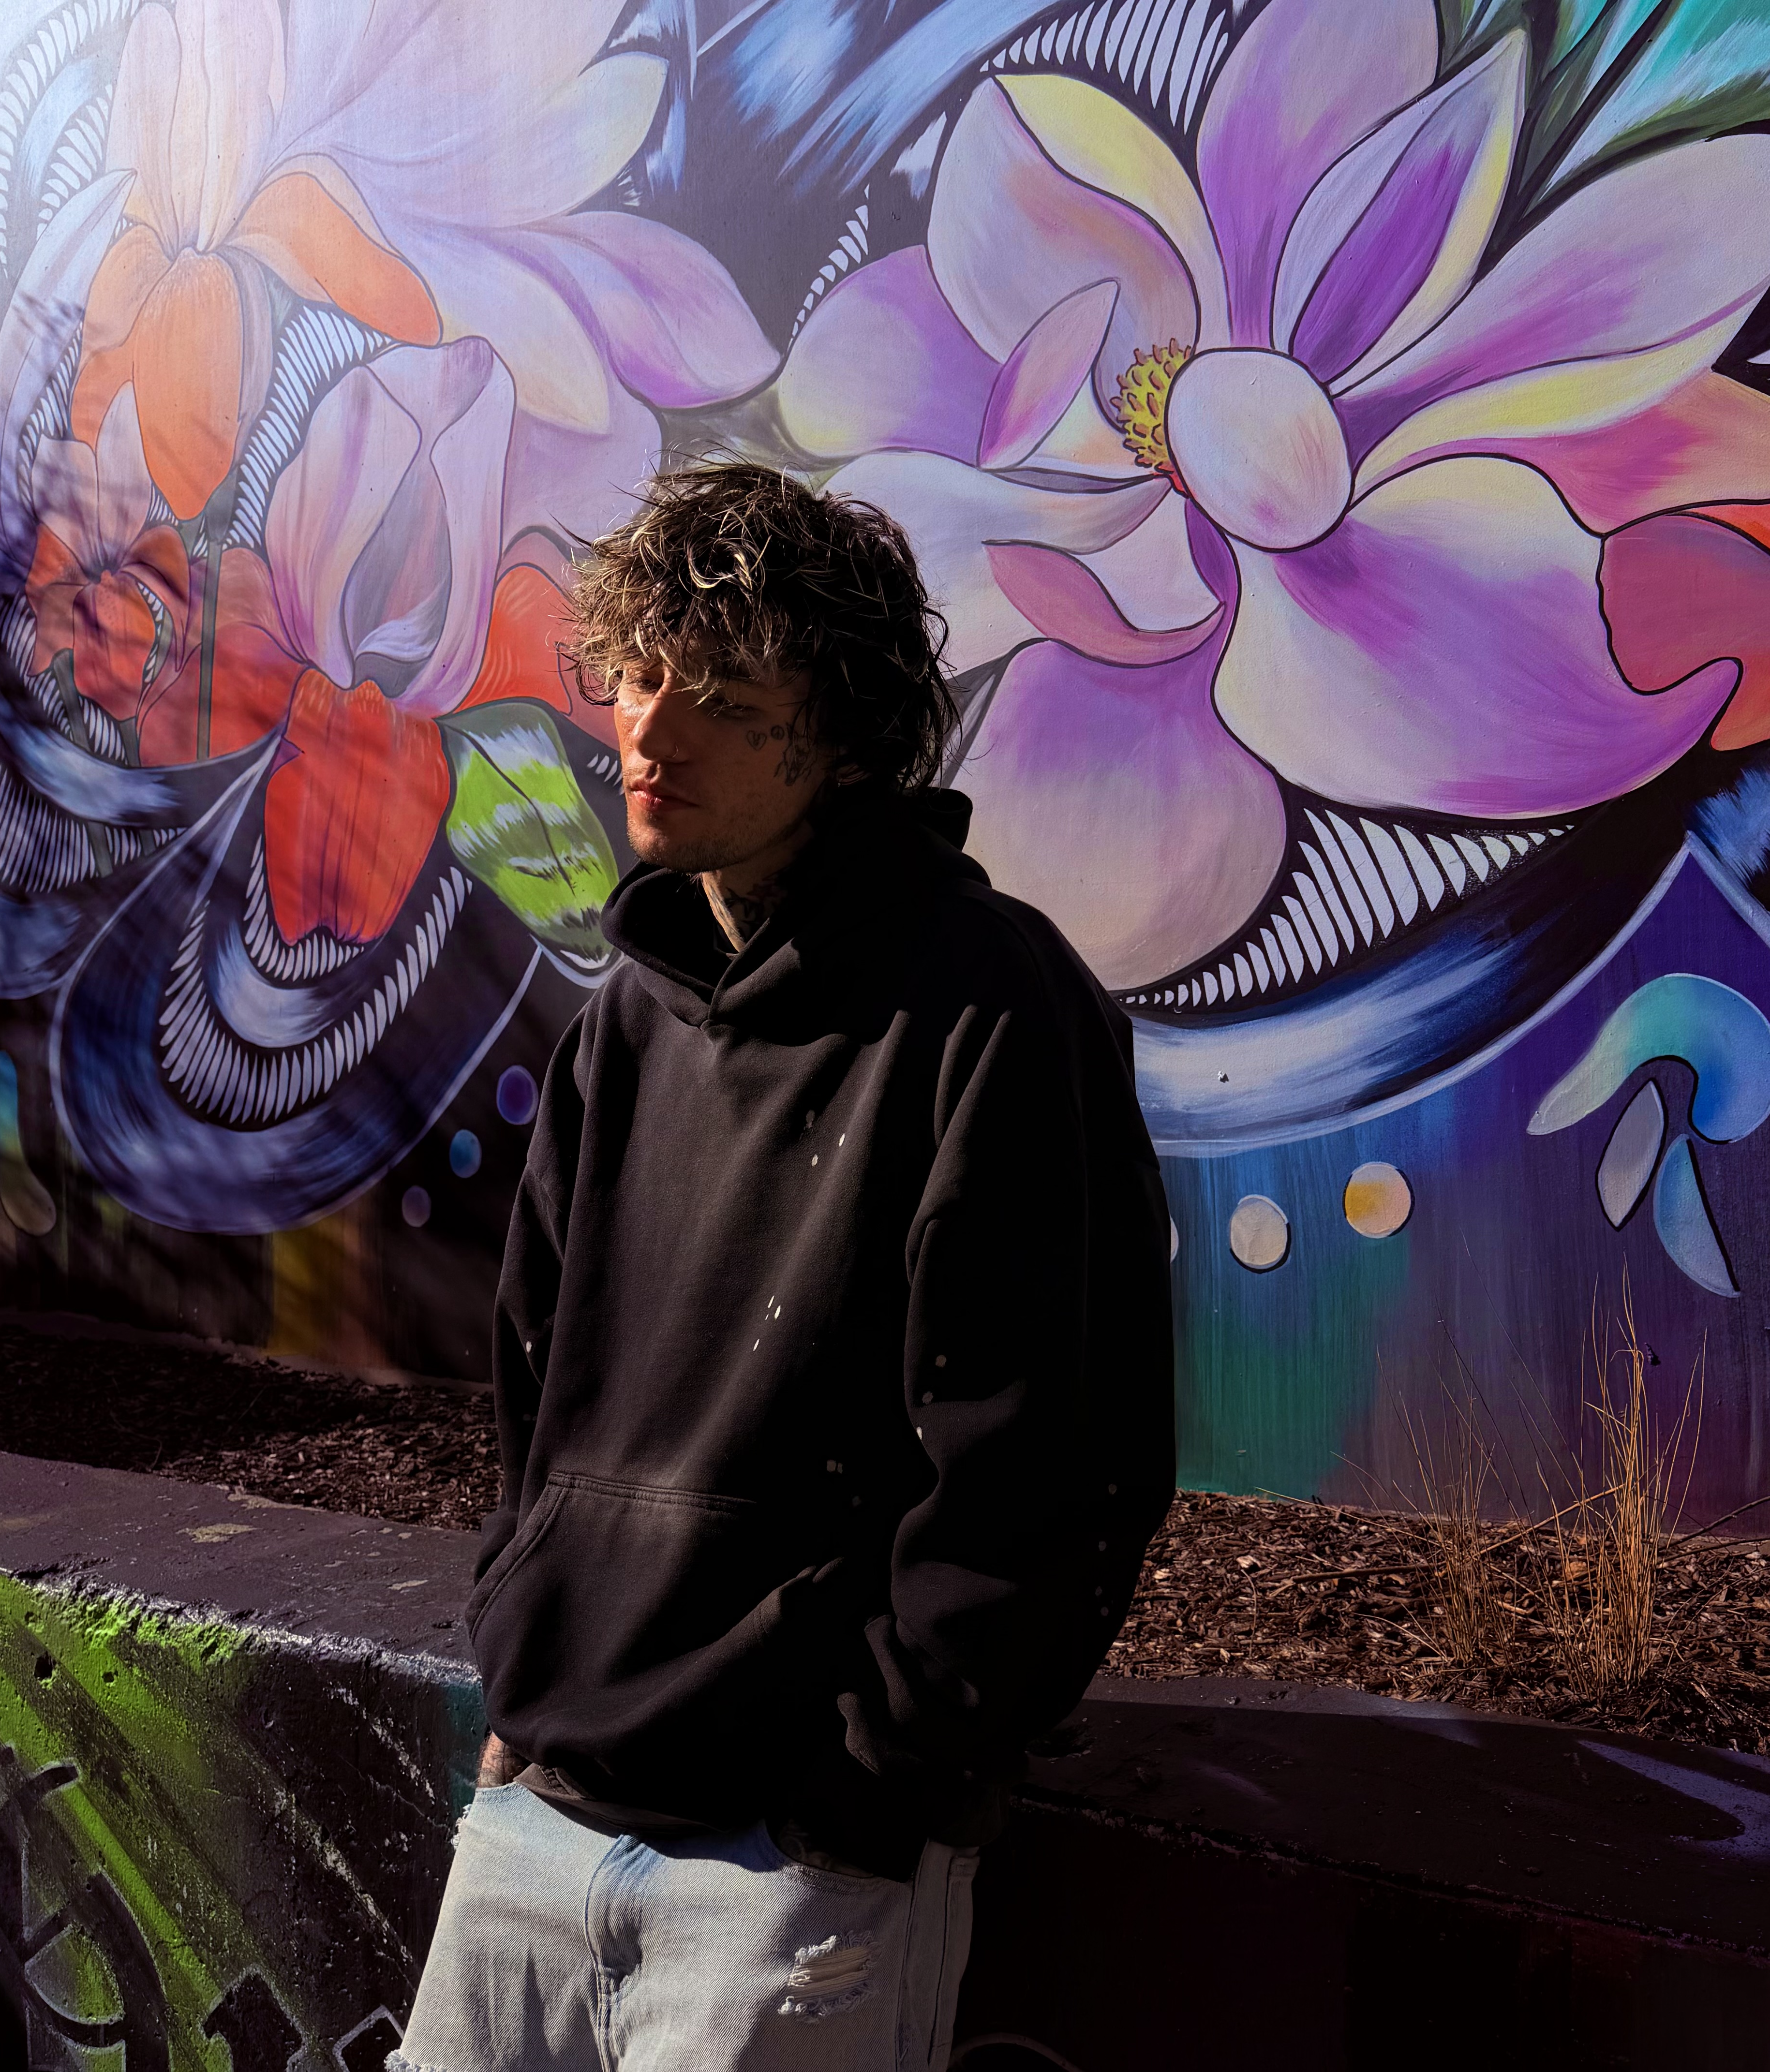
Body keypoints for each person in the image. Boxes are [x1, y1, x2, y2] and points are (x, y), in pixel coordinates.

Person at [391, 463, 1175, 2072]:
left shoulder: (990, 1010)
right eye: (639, 675)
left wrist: (871, 1790)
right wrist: (521, 1674)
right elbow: (535, 1384)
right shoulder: (626, 1017)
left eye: (723, 696)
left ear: (840, 739)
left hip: (785, 1876)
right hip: (538, 1815)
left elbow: (1050, 1461)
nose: (648, 730)